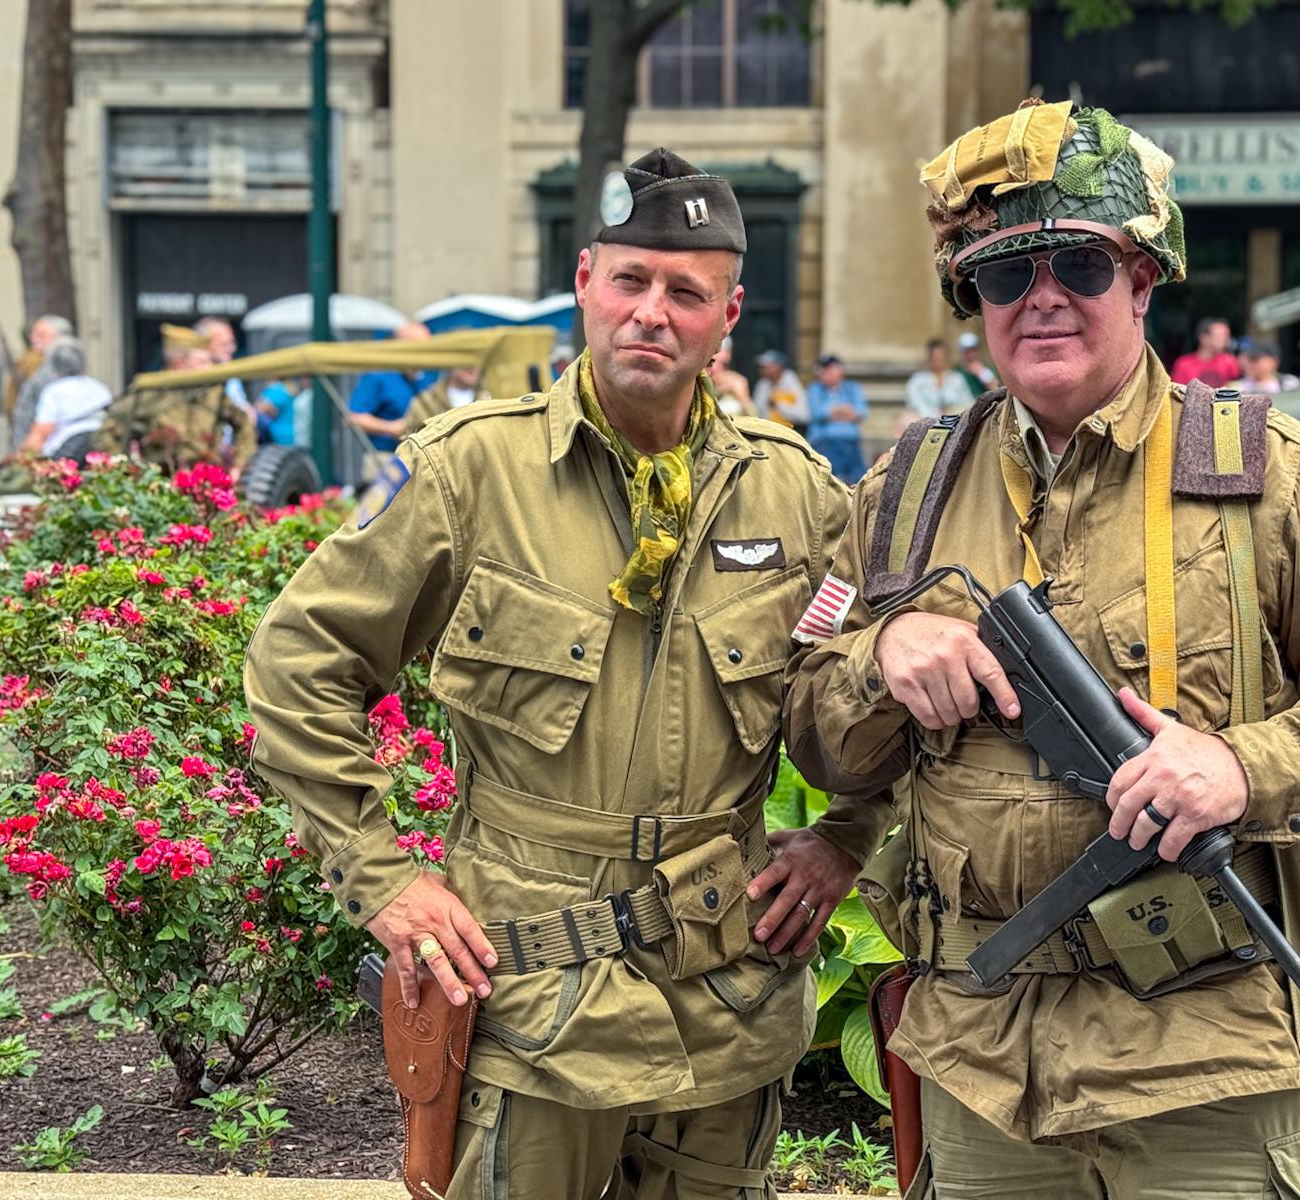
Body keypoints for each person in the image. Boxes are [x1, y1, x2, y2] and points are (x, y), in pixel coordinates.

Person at [782, 99, 1300, 1199]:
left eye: (1079, 267)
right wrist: (885, 654)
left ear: (1142, 281)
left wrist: (1242, 768)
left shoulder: (1265, 472)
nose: (1042, 297)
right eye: (1006, 276)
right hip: (988, 1071)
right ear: (975, 303)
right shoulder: (904, 490)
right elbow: (815, 733)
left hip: (1215, 1067)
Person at [245, 148, 885, 1200]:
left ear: (729, 317)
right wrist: (384, 878)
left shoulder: (798, 498)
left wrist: (848, 837)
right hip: (537, 1007)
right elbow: (299, 661)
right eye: (630, 281)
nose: (651, 312)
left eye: (686, 292)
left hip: (728, 1007)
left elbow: (876, 688)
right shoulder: (473, 471)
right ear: (586, 282)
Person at [92, 325, 257, 475]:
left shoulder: (212, 392)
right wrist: (125, 471)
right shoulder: (151, 393)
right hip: (162, 480)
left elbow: (243, 423)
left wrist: (238, 467)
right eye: (201, 362)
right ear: (179, 363)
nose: (209, 368)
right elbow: (108, 432)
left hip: (206, 479)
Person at [18, 338, 112, 459]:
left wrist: (22, 456)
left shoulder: (53, 391)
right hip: (102, 446)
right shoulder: (99, 387)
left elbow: (41, 432)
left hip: (68, 451)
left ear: (52, 365)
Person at [347, 322, 433, 452]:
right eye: (417, 346)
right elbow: (354, 417)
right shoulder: (379, 375)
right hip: (387, 458)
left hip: (420, 457)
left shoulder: (429, 376)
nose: (425, 352)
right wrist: (391, 428)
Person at [357, 364, 493, 443]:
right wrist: (392, 428)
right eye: (464, 360)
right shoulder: (427, 399)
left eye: (477, 360)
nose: (472, 367)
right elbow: (355, 416)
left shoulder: (491, 400)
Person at [7, 314, 74, 452]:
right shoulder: (37, 361)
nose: (33, 338)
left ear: (60, 338)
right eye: (34, 333)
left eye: (42, 334)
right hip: (28, 438)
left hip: (44, 443)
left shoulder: (62, 368)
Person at [806, 353, 868, 483]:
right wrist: (845, 410)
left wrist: (834, 412)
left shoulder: (852, 387)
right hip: (825, 442)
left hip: (850, 441)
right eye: (821, 370)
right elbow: (818, 413)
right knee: (828, 480)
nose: (822, 373)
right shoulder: (815, 388)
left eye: (828, 369)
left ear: (840, 370)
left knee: (860, 479)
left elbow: (861, 413)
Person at [905, 338, 977, 421]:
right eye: (936, 356)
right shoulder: (917, 381)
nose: (939, 360)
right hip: (924, 422)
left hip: (954, 423)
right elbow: (915, 404)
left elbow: (968, 402)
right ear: (930, 358)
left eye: (942, 356)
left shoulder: (957, 379)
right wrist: (936, 416)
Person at [751, 349, 809, 435]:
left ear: (778, 366)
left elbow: (803, 416)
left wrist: (778, 404)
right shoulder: (762, 384)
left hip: (790, 432)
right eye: (762, 367)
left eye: (766, 366)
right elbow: (755, 412)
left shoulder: (791, 382)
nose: (762, 369)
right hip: (767, 431)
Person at [1170, 316, 1239, 387]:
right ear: (1204, 338)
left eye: (1226, 336)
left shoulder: (1229, 362)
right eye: (1219, 336)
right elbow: (1177, 395)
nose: (1224, 341)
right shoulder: (1184, 365)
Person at [1231, 339, 1299, 394]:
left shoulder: (1289, 383)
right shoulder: (1238, 388)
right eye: (1249, 359)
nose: (1251, 363)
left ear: (1274, 361)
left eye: (1255, 359)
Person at [707, 336, 753, 417]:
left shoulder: (736, 381)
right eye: (712, 362)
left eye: (722, 364)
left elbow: (753, 419)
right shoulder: (696, 380)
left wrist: (743, 398)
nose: (714, 369)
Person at [255, 377, 306, 446]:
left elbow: (262, 408)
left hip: (279, 437)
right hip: (292, 434)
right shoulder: (288, 387)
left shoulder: (276, 389)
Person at [956, 330, 997, 396]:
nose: (971, 355)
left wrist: (983, 374)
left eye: (973, 350)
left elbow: (996, 389)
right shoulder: (956, 371)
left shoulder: (987, 369)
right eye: (967, 351)